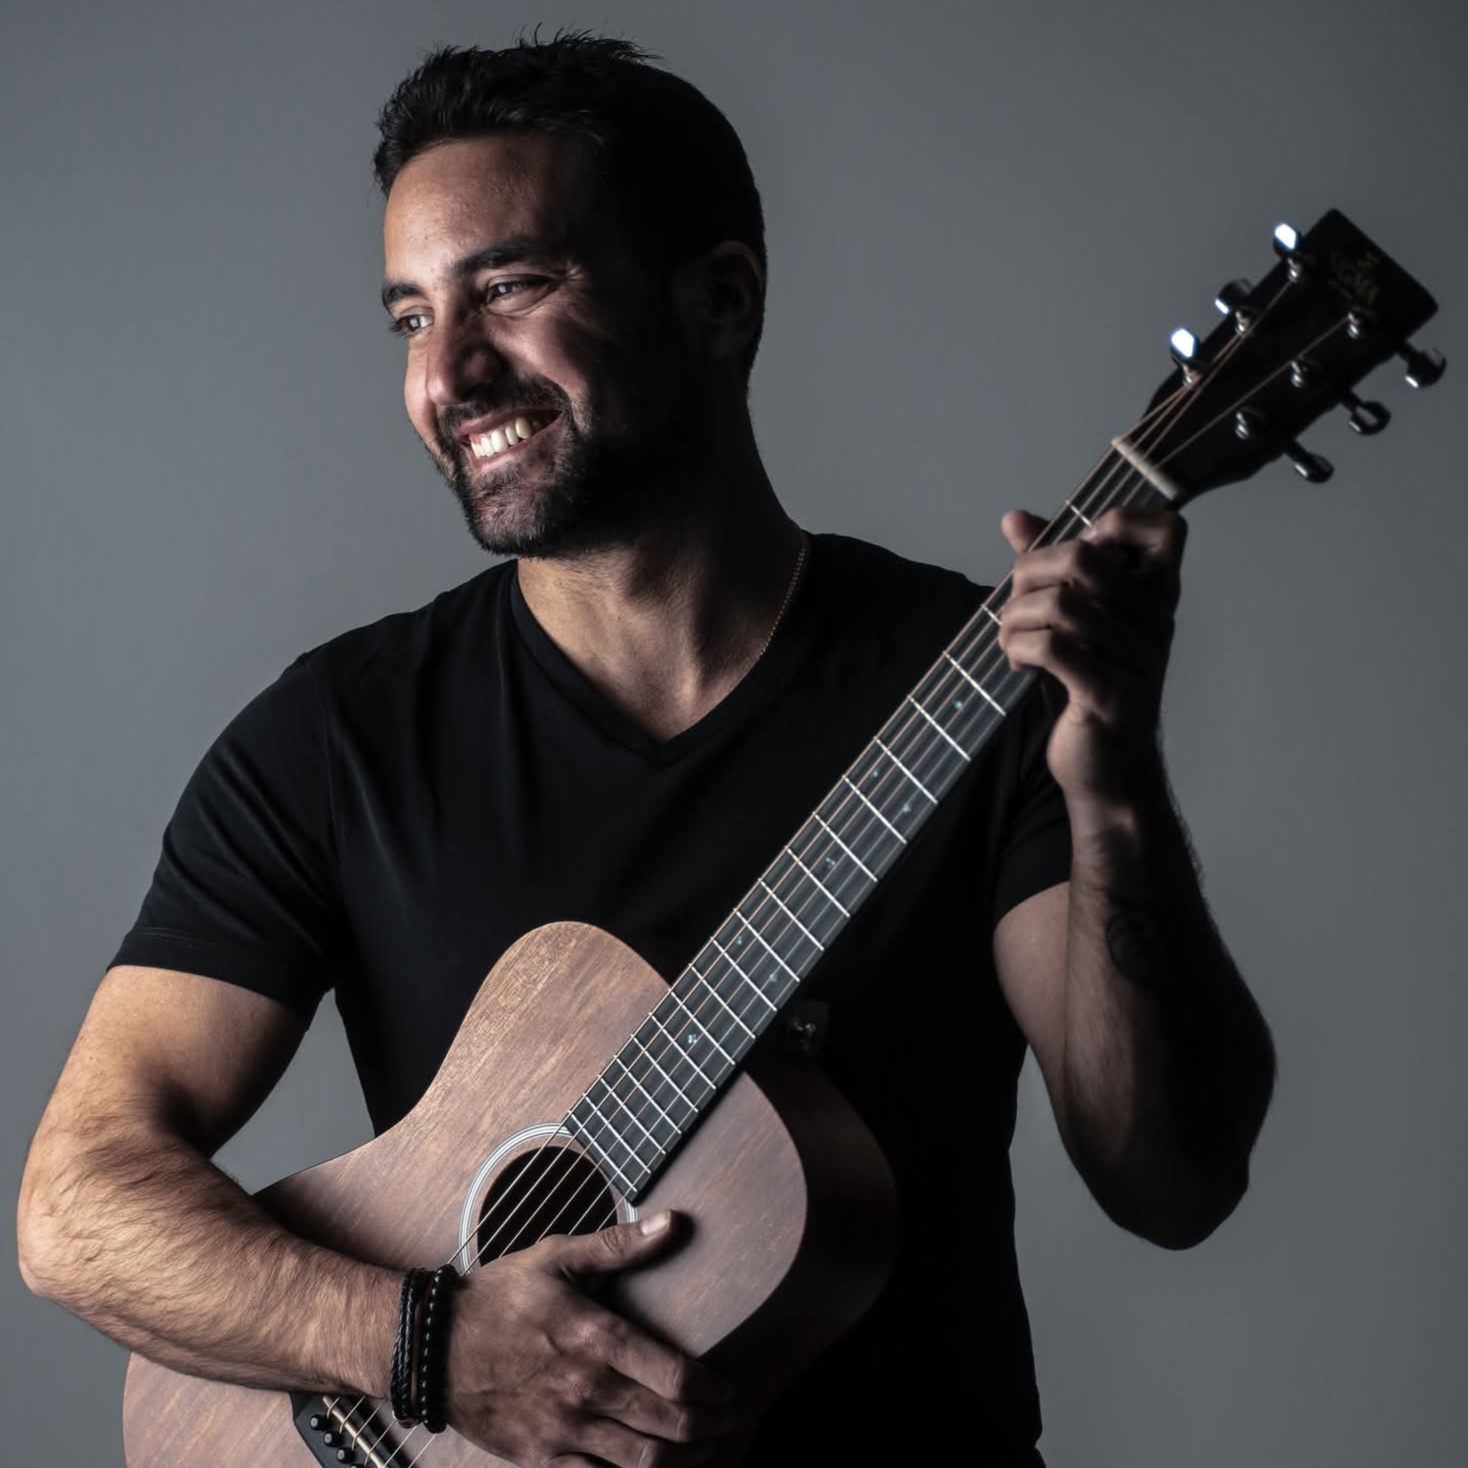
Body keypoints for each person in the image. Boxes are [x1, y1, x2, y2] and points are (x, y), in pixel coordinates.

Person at [17, 31, 1276, 1467]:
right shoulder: (339, 738)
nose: (450, 373)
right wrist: (428, 1348)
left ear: (721, 301)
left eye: (511, 286)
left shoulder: (979, 681)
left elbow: (1174, 1184)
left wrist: (1112, 789)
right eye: (412, 318)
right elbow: (75, 1208)